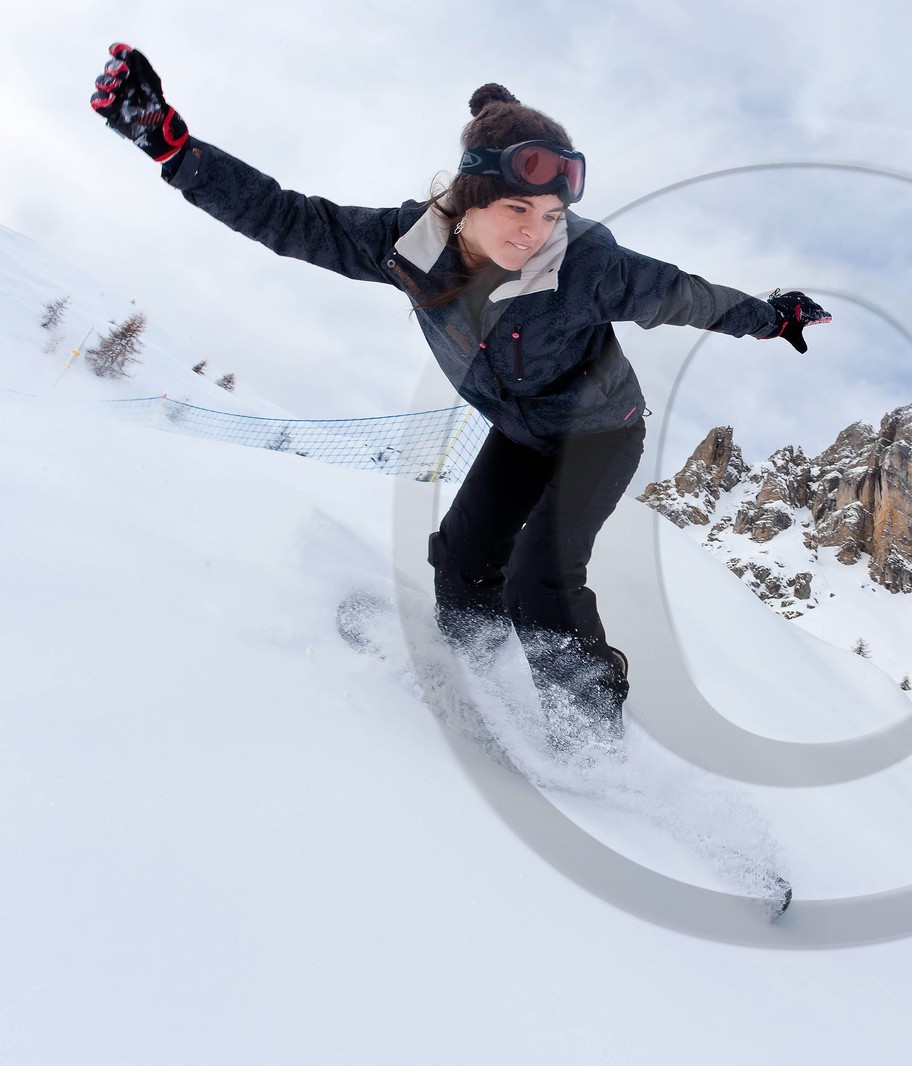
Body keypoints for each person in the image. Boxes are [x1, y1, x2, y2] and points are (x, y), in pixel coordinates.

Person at [90, 44, 831, 736]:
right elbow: (291, 219)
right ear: (468, 200)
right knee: (462, 562)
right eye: (517, 210)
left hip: (601, 432)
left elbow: (688, 296)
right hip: (522, 435)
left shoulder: (588, 264)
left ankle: (593, 739)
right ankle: (482, 671)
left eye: (551, 215)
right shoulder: (409, 246)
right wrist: (176, 151)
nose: (535, 233)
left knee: (541, 579)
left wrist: (771, 318)